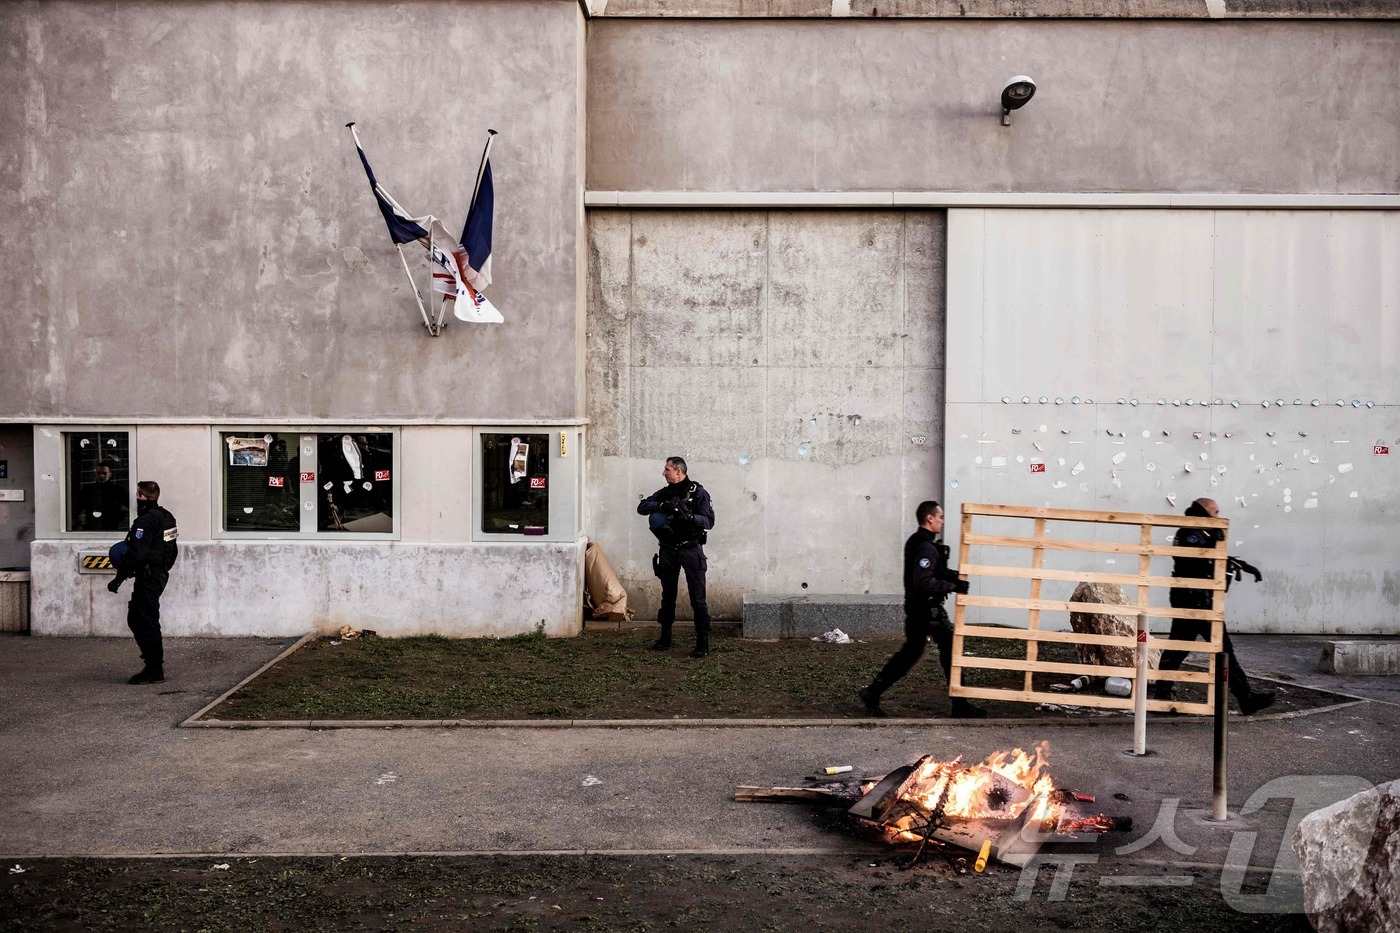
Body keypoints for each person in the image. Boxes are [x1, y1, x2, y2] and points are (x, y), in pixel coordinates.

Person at [859, 500, 985, 719]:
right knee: (947, 652)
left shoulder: (919, 542)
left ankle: (873, 692)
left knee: (912, 653)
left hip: (921, 609)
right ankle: (960, 705)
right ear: (930, 518)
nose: (942, 521)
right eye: (940, 517)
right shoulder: (925, 546)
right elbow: (922, 581)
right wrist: (952, 586)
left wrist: (952, 577)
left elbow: (932, 572)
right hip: (926, 611)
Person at [1151, 498, 1275, 715]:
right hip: (1193, 601)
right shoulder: (1188, 533)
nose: (1218, 516)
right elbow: (1192, 560)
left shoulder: (1203, 533)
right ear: (1203, 513)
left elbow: (1211, 558)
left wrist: (1241, 564)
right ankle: (1245, 698)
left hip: (1201, 600)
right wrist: (1212, 544)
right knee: (1221, 649)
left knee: (1179, 648)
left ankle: (1162, 697)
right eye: (1215, 512)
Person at [637, 457, 715, 658]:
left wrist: (690, 517)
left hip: (690, 549)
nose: (663, 473)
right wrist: (663, 505)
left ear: (679, 471)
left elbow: (709, 521)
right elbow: (642, 507)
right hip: (668, 550)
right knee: (667, 595)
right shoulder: (665, 493)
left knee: (697, 597)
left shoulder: (698, 493)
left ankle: (702, 642)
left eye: (667, 469)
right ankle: (665, 637)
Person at [108, 481, 179, 685]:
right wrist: (162, 569)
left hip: (149, 577)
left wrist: (118, 579)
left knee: (144, 620)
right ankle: (152, 664)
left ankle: (154, 669)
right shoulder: (167, 517)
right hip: (158, 574)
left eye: (137, 495)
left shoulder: (145, 521)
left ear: (141, 496)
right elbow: (172, 549)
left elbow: (136, 555)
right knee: (139, 617)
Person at [77, 461, 128, 531]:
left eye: (104, 473)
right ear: (95, 474)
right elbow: (79, 507)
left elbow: (126, 508)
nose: (101, 476)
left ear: (110, 474)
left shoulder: (118, 491)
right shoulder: (87, 490)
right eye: (99, 473)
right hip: (92, 526)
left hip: (111, 527)